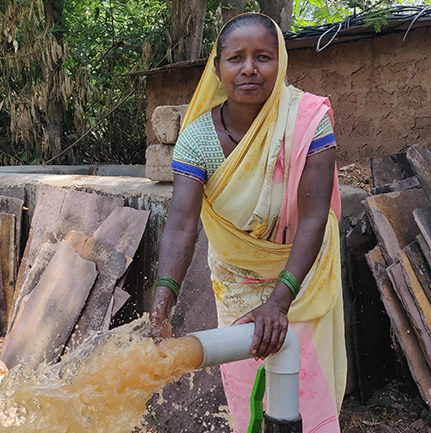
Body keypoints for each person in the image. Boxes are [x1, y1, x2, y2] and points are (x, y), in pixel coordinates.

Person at [148, 13, 346, 433]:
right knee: (247, 388)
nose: (250, 68)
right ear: (218, 68)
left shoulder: (308, 121)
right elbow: (182, 225)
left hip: (302, 276)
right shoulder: (199, 138)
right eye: (236, 58)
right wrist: (162, 303)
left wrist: (280, 301)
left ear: (282, 62)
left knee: (306, 393)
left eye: (264, 57)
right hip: (237, 282)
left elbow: (314, 217)